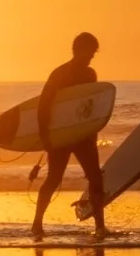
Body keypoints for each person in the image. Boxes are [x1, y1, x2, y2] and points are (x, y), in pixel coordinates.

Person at [32, 32, 108, 240]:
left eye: (94, 53)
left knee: (95, 178)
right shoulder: (60, 73)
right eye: (89, 52)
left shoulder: (91, 74)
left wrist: (93, 133)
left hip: (84, 136)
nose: (91, 57)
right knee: (54, 179)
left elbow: (89, 106)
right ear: (78, 50)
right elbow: (44, 104)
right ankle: (37, 223)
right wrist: (45, 135)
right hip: (62, 136)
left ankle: (100, 226)